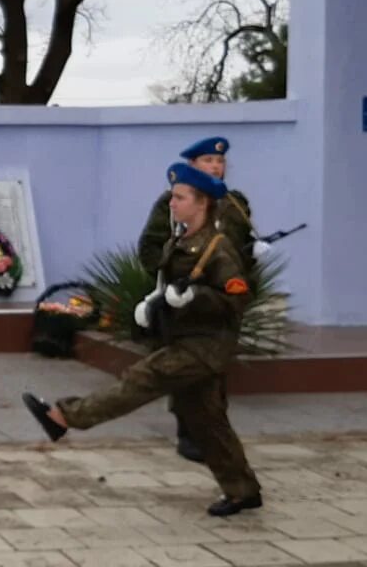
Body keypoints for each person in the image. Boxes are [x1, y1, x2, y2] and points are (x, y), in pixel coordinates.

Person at [22, 162, 263, 518]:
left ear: (201, 203)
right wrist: (153, 305)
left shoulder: (218, 247)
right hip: (184, 340)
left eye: (180, 198)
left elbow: (237, 298)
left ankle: (63, 417)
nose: (173, 203)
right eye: (174, 197)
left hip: (204, 347)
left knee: (141, 379)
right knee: (206, 419)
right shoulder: (182, 241)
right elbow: (167, 286)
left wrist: (195, 297)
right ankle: (243, 491)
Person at [137, 136, 254, 463]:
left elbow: (243, 249)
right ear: (193, 167)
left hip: (219, 299)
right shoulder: (174, 201)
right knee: (184, 364)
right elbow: (150, 246)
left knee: (215, 366)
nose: (216, 166)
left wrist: (243, 279)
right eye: (208, 161)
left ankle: (211, 435)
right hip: (182, 300)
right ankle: (188, 432)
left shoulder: (235, 203)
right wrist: (173, 279)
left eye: (219, 161)